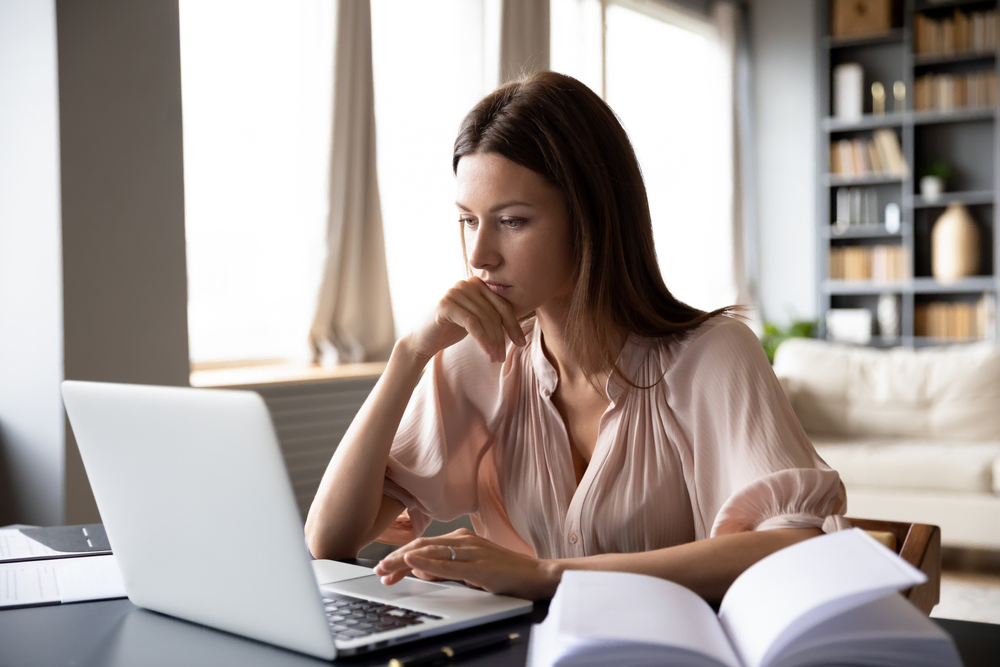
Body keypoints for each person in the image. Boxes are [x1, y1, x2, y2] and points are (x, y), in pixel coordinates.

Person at [305, 71, 847, 602]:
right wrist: (410, 354)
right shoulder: (473, 361)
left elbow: (792, 545)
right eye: (468, 220)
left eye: (512, 221)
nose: (478, 255)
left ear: (589, 217)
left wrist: (545, 574)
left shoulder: (713, 355)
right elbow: (329, 540)